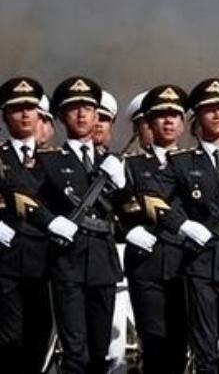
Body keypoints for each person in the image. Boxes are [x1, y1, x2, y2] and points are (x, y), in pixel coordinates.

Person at [150, 78, 219, 374]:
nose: (217, 113)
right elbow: (154, 199)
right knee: (204, 347)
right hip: (199, 262)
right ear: (197, 116)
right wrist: (183, 225)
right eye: (209, 108)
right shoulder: (181, 162)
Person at [19, 76, 127, 374]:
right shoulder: (48, 160)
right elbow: (22, 196)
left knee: (101, 351)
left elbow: (128, 210)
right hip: (68, 263)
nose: (81, 114)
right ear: (61, 117)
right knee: (75, 353)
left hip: (103, 262)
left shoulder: (112, 163)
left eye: (88, 108)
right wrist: (50, 221)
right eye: (73, 109)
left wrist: (122, 185)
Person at [122, 84, 192, 374]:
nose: (168, 121)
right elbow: (118, 204)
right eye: (161, 115)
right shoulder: (131, 165)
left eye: (174, 115)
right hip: (146, 263)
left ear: (183, 123)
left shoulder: (196, 162)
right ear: (149, 123)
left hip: (184, 262)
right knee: (153, 342)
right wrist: (128, 226)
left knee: (179, 342)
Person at [0, 77, 54, 374]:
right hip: (4, 264)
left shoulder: (55, 160)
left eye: (30, 108)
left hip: (44, 263)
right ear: (4, 116)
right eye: (16, 108)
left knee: (39, 336)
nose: (24, 114)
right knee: (8, 339)